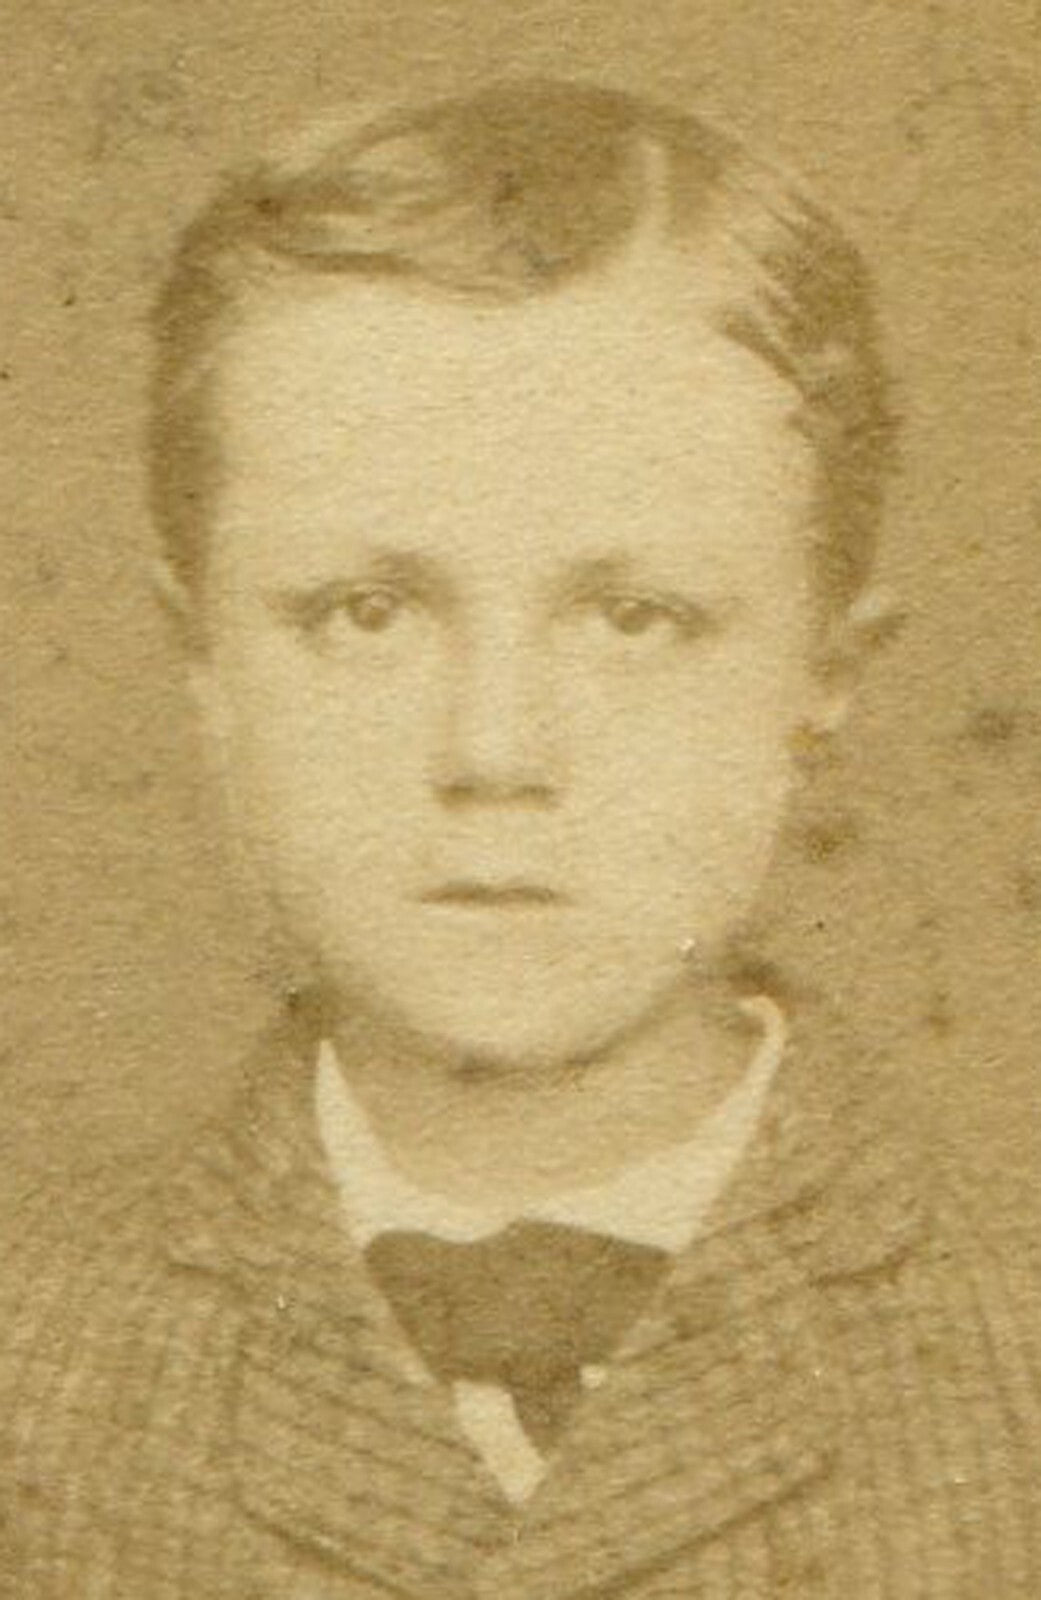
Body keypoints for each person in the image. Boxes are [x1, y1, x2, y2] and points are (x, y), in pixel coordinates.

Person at [1, 78, 1038, 1600]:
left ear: (826, 671)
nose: (493, 753)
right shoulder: (37, 1347)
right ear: (202, 654)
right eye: (366, 613)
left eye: (636, 619)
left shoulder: (1008, 1335)